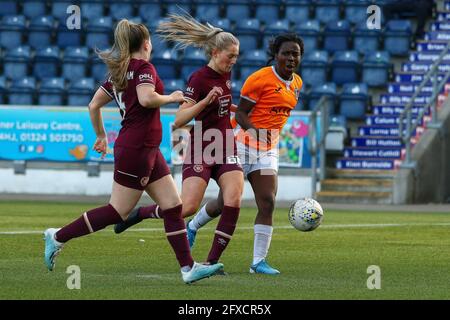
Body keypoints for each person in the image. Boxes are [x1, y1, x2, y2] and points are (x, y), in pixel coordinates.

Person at [43, 19, 224, 284]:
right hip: (137, 149)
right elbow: (146, 99)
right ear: (147, 43)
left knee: (173, 206)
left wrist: (101, 136)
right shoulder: (144, 68)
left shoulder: (120, 71)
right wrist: (172, 97)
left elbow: (93, 105)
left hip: (145, 148)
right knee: (118, 211)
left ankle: (188, 269)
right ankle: (57, 236)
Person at [114, 14, 244, 268]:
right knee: (186, 208)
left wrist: (234, 109)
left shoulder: (226, 75)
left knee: (234, 200)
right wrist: (206, 102)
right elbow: (180, 119)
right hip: (201, 147)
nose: (234, 60)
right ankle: (140, 213)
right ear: (215, 53)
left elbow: (219, 106)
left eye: (237, 56)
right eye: (231, 56)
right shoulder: (198, 79)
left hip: (225, 145)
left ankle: (211, 263)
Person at [183, 33, 304, 275]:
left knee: (267, 201)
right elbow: (240, 115)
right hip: (241, 145)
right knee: (223, 202)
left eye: (295, 54)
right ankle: (193, 226)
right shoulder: (259, 79)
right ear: (276, 55)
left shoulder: (297, 84)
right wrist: (257, 133)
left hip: (267, 150)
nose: (291, 58)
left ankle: (258, 262)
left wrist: (268, 138)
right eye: (286, 53)